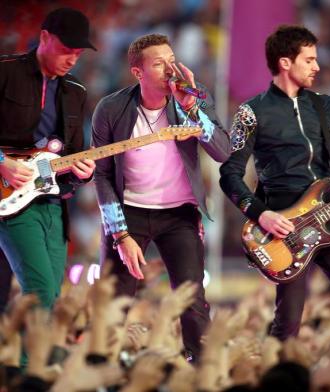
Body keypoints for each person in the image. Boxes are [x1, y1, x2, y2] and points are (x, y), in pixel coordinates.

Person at [219, 25, 330, 341]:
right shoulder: (250, 112)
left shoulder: (326, 106)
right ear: (285, 62)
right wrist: (261, 214)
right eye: (309, 60)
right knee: (288, 324)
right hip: (283, 228)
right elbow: (229, 175)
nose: (317, 66)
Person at [92, 33, 230, 361]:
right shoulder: (111, 108)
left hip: (179, 214)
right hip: (129, 213)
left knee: (191, 299)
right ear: (138, 73)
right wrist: (120, 235)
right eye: (159, 63)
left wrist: (193, 107)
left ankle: (201, 372)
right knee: (114, 299)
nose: (170, 69)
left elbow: (223, 151)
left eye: (171, 59)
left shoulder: (192, 98)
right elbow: (102, 175)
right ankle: (101, 370)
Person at [0, 7, 96, 310]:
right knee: (40, 293)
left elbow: (73, 154)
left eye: (78, 54)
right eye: (67, 50)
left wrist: (84, 173)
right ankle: (34, 360)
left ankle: (38, 357)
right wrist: (2, 160)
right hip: (11, 201)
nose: (72, 60)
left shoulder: (76, 91)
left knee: (51, 298)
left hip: (53, 203)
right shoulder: (5, 71)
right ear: (44, 37)